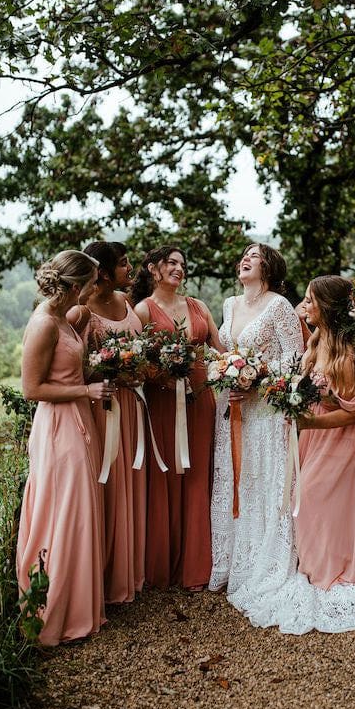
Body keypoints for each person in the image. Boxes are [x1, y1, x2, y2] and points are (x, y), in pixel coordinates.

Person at [211, 255, 355, 634]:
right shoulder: (316, 341)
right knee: (303, 503)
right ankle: (313, 568)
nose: (303, 307)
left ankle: (334, 572)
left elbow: (352, 413)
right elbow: (300, 384)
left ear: (326, 308)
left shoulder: (349, 353)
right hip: (313, 437)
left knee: (315, 499)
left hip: (339, 442)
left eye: (309, 301)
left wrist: (308, 418)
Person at [16, 250, 110, 646]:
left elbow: (68, 366)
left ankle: (80, 608)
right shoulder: (42, 324)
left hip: (78, 421)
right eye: (90, 285)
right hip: (57, 428)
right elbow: (32, 388)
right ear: (74, 287)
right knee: (63, 513)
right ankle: (51, 613)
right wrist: (84, 390)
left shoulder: (65, 318)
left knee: (80, 513)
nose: (93, 292)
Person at [209, 242, 304, 596]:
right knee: (238, 481)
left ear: (269, 267)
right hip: (233, 411)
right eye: (244, 254)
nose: (246, 258)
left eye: (255, 255)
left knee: (264, 480)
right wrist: (225, 373)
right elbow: (225, 352)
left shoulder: (279, 306)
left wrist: (255, 377)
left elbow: (297, 359)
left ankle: (265, 562)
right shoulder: (229, 304)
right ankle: (234, 562)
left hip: (265, 410)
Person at [132, 245, 220, 591]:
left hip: (200, 399)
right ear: (154, 269)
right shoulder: (142, 310)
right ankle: (163, 567)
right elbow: (136, 364)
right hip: (164, 401)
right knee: (166, 475)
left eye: (182, 264)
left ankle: (196, 567)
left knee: (199, 472)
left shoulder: (198, 306)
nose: (179, 269)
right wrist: (161, 375)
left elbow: (219, 351)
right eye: (172, 263)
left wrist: (243, 370)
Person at [68, 241, 147, 605]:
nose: (130, 269)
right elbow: (73, 368)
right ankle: (103, 580)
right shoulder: (81, 313)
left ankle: (127, 577)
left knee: (131, 483)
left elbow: (141, 347)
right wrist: (106, 371)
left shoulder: (127, 303)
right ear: (103, 270)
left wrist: (142, 368)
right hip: (104, 410)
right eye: (124, 263)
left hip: (132, 405)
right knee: (110, 487)